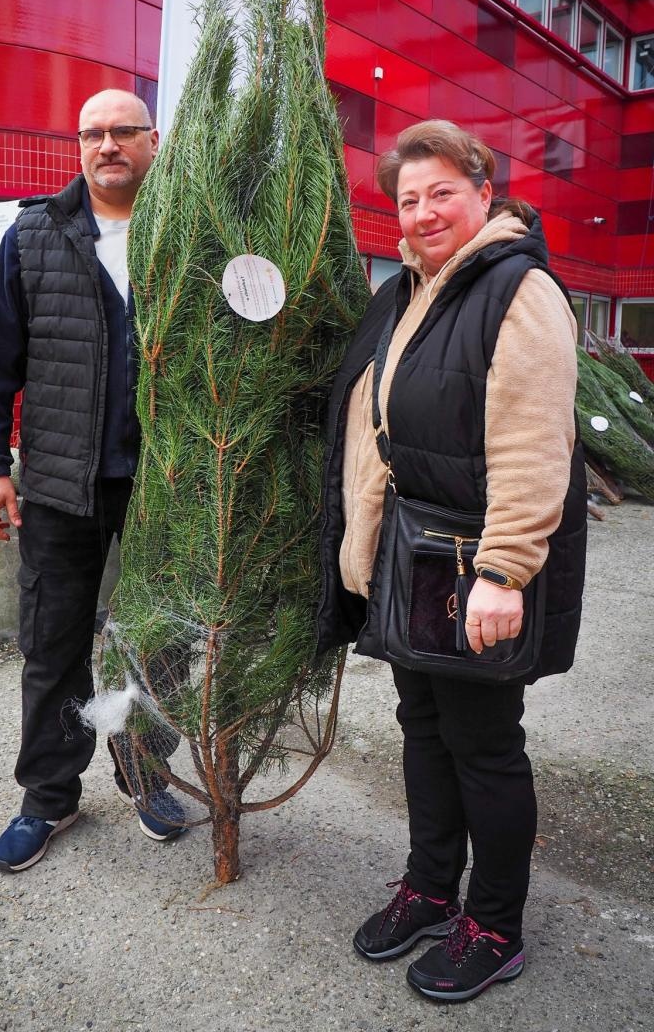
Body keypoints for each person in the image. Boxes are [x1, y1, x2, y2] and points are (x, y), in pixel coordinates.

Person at [317, 120, 586, 1002]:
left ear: (483, 191)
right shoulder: (410, 289)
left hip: (472, 560)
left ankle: (495, 924)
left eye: (442, 192)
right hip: (410, 554)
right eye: (408, 198)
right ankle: (432, 887)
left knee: (485, 744)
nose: (425, 211)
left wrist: (505, 573)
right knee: (423, 726)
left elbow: (534, 446)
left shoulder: (517, 289)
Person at [0, 89, 186, 872]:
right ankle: (49, 798)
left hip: (164, 481)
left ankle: (149, 777)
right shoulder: (36, 235)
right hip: (59, 482)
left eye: (124, 131)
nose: (108, 145)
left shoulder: (192, 233)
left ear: (154, 141)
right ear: (78, 146)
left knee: (159, 645)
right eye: (94, 133)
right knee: (52, 644)